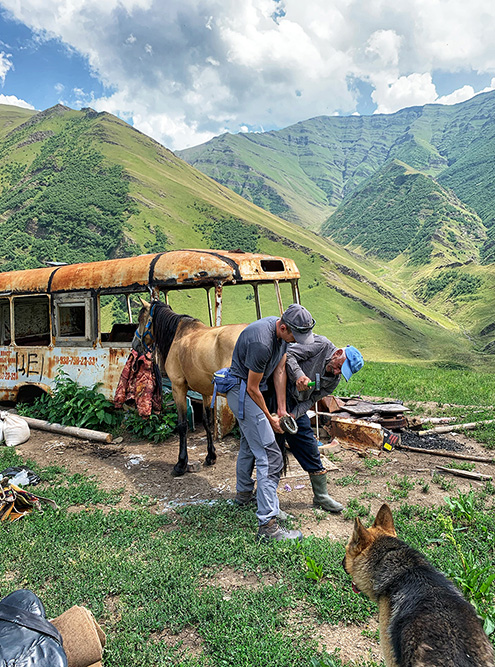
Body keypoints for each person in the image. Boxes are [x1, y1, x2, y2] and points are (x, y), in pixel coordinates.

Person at [226, 303, 316, 542]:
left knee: (250, 444)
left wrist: (282, 409)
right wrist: (270, 417)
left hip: (250, 390)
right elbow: (253, 388)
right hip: (242, 391)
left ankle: (244, 495)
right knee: (270, 455)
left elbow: (279, 370)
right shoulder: (261, 342)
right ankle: (268, 525)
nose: (296, 341)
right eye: (295, 336)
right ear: (284, 326)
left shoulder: (282, 337)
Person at [281, 337, 364, 512]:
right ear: (339, 353)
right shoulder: (320, 345)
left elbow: (311, 400)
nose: (337, 372)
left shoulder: (333, 381)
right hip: (277, 392)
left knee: (309, 445)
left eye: (342, 372)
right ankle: (246, 491)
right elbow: (288, 355)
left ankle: (321, 496)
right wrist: (299, 376)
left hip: (296, 406)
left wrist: (293, 415)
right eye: (340, 366)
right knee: (269, 444)